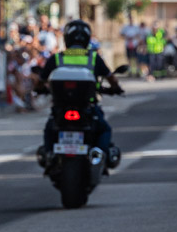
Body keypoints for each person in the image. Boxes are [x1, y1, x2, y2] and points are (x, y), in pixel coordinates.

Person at [35, 20, 122, 167]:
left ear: (67, 38)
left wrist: (39, 88)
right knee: (104, 129)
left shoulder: (57, 58)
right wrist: (115, 88)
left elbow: (40, 81)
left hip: (61, 109)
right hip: (87, 107)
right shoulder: (94, 58)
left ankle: (49, 153)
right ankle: (99, 153)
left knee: (50, 128)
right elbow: (111, 78)